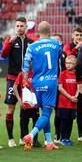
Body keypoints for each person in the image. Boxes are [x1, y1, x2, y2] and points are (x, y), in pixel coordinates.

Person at [22, 21, 61, 151]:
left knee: (44, 113)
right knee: (47, 113)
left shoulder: (31, 47)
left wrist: (25, 81)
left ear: (38, 31)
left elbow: (26, 65)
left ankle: (49, 142)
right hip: (51, 81)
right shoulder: (56, 44)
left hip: (37, 82)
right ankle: (31, 135)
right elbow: (59, 60)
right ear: (50, 30)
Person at [0, 17, 34, 147]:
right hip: (13, 79)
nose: (19, 28)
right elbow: (3, 55)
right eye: (17, 26)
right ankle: (10, 138)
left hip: (26, 80)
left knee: (25, 108)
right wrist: (8, 42)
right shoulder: (11, 41)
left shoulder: (31, 42)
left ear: (26, 27)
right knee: (10, 108)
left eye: (21, 26)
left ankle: (22, 137)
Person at [63, 27, 82, 142]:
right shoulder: (69, 46)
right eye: (77, 35)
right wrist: (77, 47)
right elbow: (68, 58)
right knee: (66, 111)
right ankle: (61, 136)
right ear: (73, 35)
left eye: (81, 35)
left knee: (80, 110)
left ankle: (81, 134)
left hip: (81, 80)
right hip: (68, 81)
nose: (79, 37)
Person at [13, 69, 41, 147]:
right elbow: (14, 87)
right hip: (25, 104)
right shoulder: (22, 74)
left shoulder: (37, 72)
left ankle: (35, 140)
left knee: (36, 122)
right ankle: (26, 140)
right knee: (24, 122)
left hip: (35, 103)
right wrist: (19, 100)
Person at [57, 55, 79, 147]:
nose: (68, 65)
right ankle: (62, 138)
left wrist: (76, 96)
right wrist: (70, 97)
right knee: (64, 121)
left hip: (73, 103)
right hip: (64, 103)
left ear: (75, 64)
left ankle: (68, 138)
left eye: (70, 63)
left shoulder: (77, 74)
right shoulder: (63, 74)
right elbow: (60, 87)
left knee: (70, 121)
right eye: (66, 63)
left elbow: (79, 87)